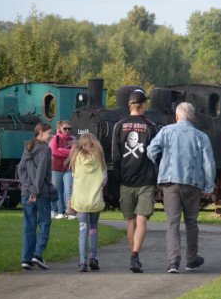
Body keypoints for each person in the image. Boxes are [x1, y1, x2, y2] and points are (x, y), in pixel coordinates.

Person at [147, 102, 216, 274]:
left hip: (170, 182)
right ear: (192, 117)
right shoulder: (201, 137)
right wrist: (209, 185)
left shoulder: (166, 132)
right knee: (191, 222)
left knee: (173, 223)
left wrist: (158, 166)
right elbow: (209, 164)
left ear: (177, 116)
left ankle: (173, 262)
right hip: (193, 184)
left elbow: (151, 150)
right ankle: (191, 260)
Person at [112, 89, 159, 273]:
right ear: (143, 105)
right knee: (142, 221)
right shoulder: (150, 126)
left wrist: (117, 179)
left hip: (126, 181)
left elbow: (116, 157)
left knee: (130, 221)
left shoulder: (119, 126)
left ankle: (133, 255)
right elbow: (155, 154)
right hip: (146, 180)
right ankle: (135, 253)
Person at [19, 123, 55, 270]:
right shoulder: (45, 149)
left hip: (26, 193)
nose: (51, 136)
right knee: (45, 223)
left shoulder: (28, 147)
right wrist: (34, 192)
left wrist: (27, 187)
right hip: (40, 194)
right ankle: (37, 254)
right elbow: (40, 173)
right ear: (40, 133)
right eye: (49, 133)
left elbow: (21, 169)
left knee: (29, 226)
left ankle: (26, 259)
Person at [70, 134, 107, 273]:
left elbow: (73, 177)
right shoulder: (99, 158)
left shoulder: (76, 158)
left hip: (81, 201)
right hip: (95, 200)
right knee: (93, 228)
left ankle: (82, 261)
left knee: (83, 229)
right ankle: (93, 257)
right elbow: (104, 180)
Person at [50, 121, 74, 219]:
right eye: (65, 128)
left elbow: (74, 152)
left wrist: (61, 150)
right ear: (60, 129)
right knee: (56, 190)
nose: (67, 130)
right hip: (56, 168)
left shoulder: (72, 139)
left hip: (68, 168)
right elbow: (53, 152)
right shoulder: (55, 138)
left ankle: (69, 212)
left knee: (68, 190)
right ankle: (57, 211)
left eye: (69, 129)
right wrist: (68, 152)